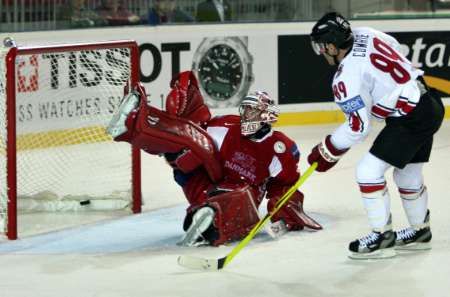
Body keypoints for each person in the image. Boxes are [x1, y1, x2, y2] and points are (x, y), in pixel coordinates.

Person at [106, 71, 322, 247]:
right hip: (210, 180)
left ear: (266, 118)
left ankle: (208, 220)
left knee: (237, 197)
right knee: (190, 139)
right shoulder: (227, 126)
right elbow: (190, 131)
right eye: (245, 112)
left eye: (253, 114)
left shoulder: (280, 148)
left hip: (243, 195)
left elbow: (285, 186)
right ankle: (135, 123)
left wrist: (284, 208)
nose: (247, 118)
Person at [308, 12, 444, 259]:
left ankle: (382, 236)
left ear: (331, 45)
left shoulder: (346, 76)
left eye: (321, 46)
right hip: (430, 102)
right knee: (408, 174)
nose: (321, 52)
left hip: (410, 117)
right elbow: (394, 48)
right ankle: (419, 232)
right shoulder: (366, 33)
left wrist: (329, 149)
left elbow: (359, 126)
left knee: (367, 172)